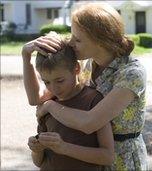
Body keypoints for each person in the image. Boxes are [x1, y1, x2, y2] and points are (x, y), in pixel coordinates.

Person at [22, 3, 148, 170]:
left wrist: (51, 106)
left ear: (101, 41)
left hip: (121, 160)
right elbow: (35, 98)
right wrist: (26, 56)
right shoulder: (88, 65)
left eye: (78, 39)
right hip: (88, 156)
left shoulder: (131, 73)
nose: (71, 42)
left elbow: (90, 123)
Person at [25, 39, 114, 170]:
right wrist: (37, 149)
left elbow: (107, 156)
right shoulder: (47, 103)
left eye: (60, 81)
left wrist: (64, 148)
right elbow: (38, 162)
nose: (54, 88)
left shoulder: (94, 100)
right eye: (46, 82)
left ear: (76, 68)